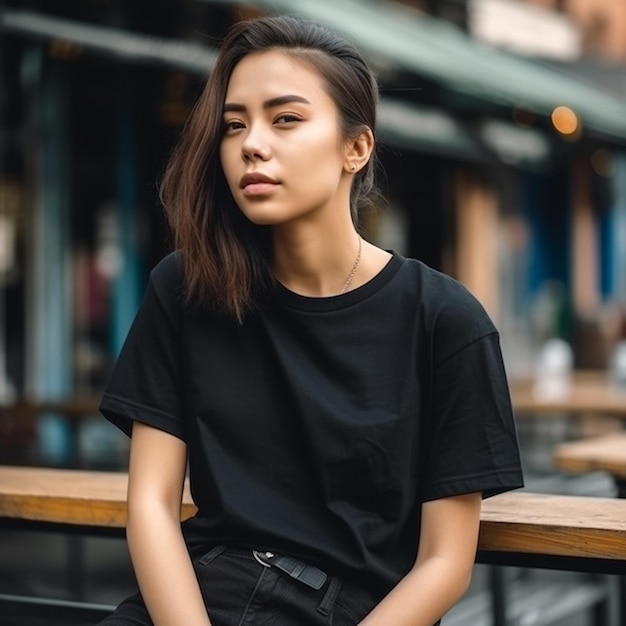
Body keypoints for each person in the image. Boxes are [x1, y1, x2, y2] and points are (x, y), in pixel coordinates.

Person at [98, 14, 524, 626]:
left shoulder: (445, 321)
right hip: (191, 598)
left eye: (286, 118)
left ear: (357, 146)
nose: (251, 143)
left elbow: (444, 563)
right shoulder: (187, 288)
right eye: (234, 124)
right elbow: (151, 505)